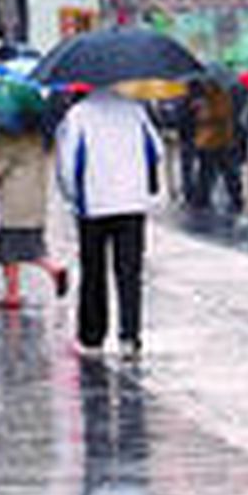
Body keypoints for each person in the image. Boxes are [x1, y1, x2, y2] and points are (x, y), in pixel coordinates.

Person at [55, 87, 163, 359]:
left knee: (94, 271)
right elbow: (156, 150)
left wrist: (72, 197)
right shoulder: (135, 110)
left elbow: (67, 164)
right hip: (132, 202)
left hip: (94, 203)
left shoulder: (78, 114)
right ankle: (130, 335)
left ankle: (93, 335)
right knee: (130, 273)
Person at [0, 127, 69, 309]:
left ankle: (12, 294)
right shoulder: (41, 139)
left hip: (12, 204)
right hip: (35, 205)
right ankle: (53, 269)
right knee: (31, 248)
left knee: (8, 252)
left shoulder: (7, 141)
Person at [189, 81, 242, 213]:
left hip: (218, 139)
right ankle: (202, 199)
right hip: (207, 140)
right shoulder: (207, 97)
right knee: (208, 171)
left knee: (223, 170)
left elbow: (220, 115)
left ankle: (234, 197)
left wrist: (202, 111)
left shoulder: (220, 96)